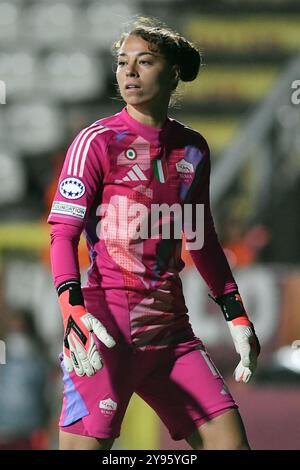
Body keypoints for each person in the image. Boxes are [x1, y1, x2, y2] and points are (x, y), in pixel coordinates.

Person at [48, 16, 260, 450]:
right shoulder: (96, 141)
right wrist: (72, 311)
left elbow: (201, 237)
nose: (129, 72)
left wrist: (235, 311)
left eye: (144, 62)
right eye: (123, 62)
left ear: (173, 73)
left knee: (231, 446)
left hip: (172, 336)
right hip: (106, 333)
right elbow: (62, 235)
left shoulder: (193, 147)